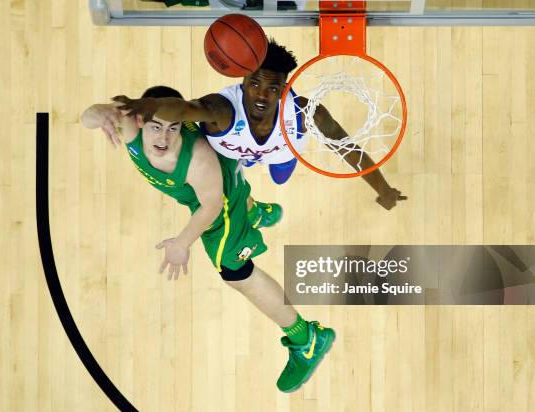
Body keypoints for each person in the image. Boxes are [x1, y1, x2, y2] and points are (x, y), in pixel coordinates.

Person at [81, 85, 335, 393]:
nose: (163, 138)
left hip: (218, 195)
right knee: (214, 202)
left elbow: (211, 207)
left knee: (233, 270)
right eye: (156, 127)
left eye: (172, 128)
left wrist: (180, 244)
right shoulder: (128, 124)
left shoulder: (197, 159)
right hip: (206, 188)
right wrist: (100, 113)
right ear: (137, 120)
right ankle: (254, 213)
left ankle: (306, 339)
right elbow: (87, 117)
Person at [112, 39, 407, 210]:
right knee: (233, 184)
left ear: (284, 86)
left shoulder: (306, 113)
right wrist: (149, 106)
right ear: (243, 81)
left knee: (280, 177)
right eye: (254, 84)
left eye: (272, 87)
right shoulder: (222, 110)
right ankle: (254, 197)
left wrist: (384, 188)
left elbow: (348, 149)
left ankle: (261, 163)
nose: (262, 95)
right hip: (234, 155)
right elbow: (184, 109)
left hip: (280, 153)